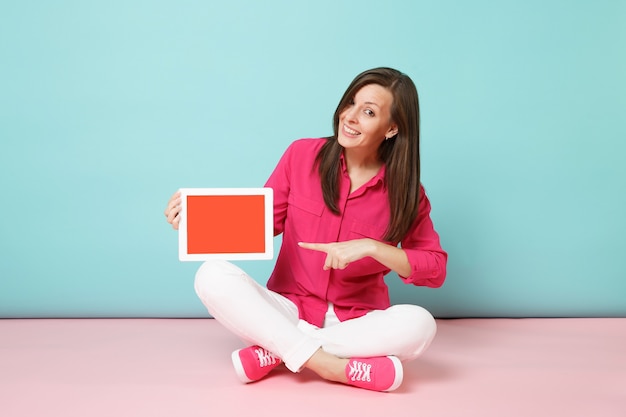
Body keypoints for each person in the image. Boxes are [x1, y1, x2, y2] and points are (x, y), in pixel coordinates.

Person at [164, 67, 447, 392]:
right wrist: (198, 216)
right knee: (211, 274)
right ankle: (332, 367)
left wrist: (372, 247)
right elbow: (261, 224)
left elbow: (435, 269)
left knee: (421, 324)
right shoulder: (302, 155)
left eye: (368, 112)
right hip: (286, 309)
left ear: (392, 128)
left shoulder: (407, 192)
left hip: (355, 323)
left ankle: (279, 350)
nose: (350, 117)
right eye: (350, 103)